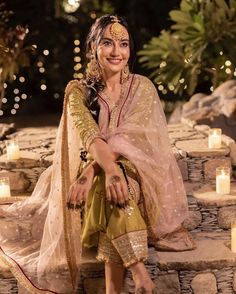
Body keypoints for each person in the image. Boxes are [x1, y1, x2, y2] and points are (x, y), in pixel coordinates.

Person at [0, 15, 194, 294]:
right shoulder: (77, 92)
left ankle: (123, 286)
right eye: (108, 43)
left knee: (112, 184)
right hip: (93, 175)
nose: (117, 51)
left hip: (138, 172)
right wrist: (101, 173)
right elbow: (91, 137)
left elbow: (126, 140)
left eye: (124, 44)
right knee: (111, 187)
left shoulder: (142, 88)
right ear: (93, 47)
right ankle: (139, 277)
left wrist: (94, 173)